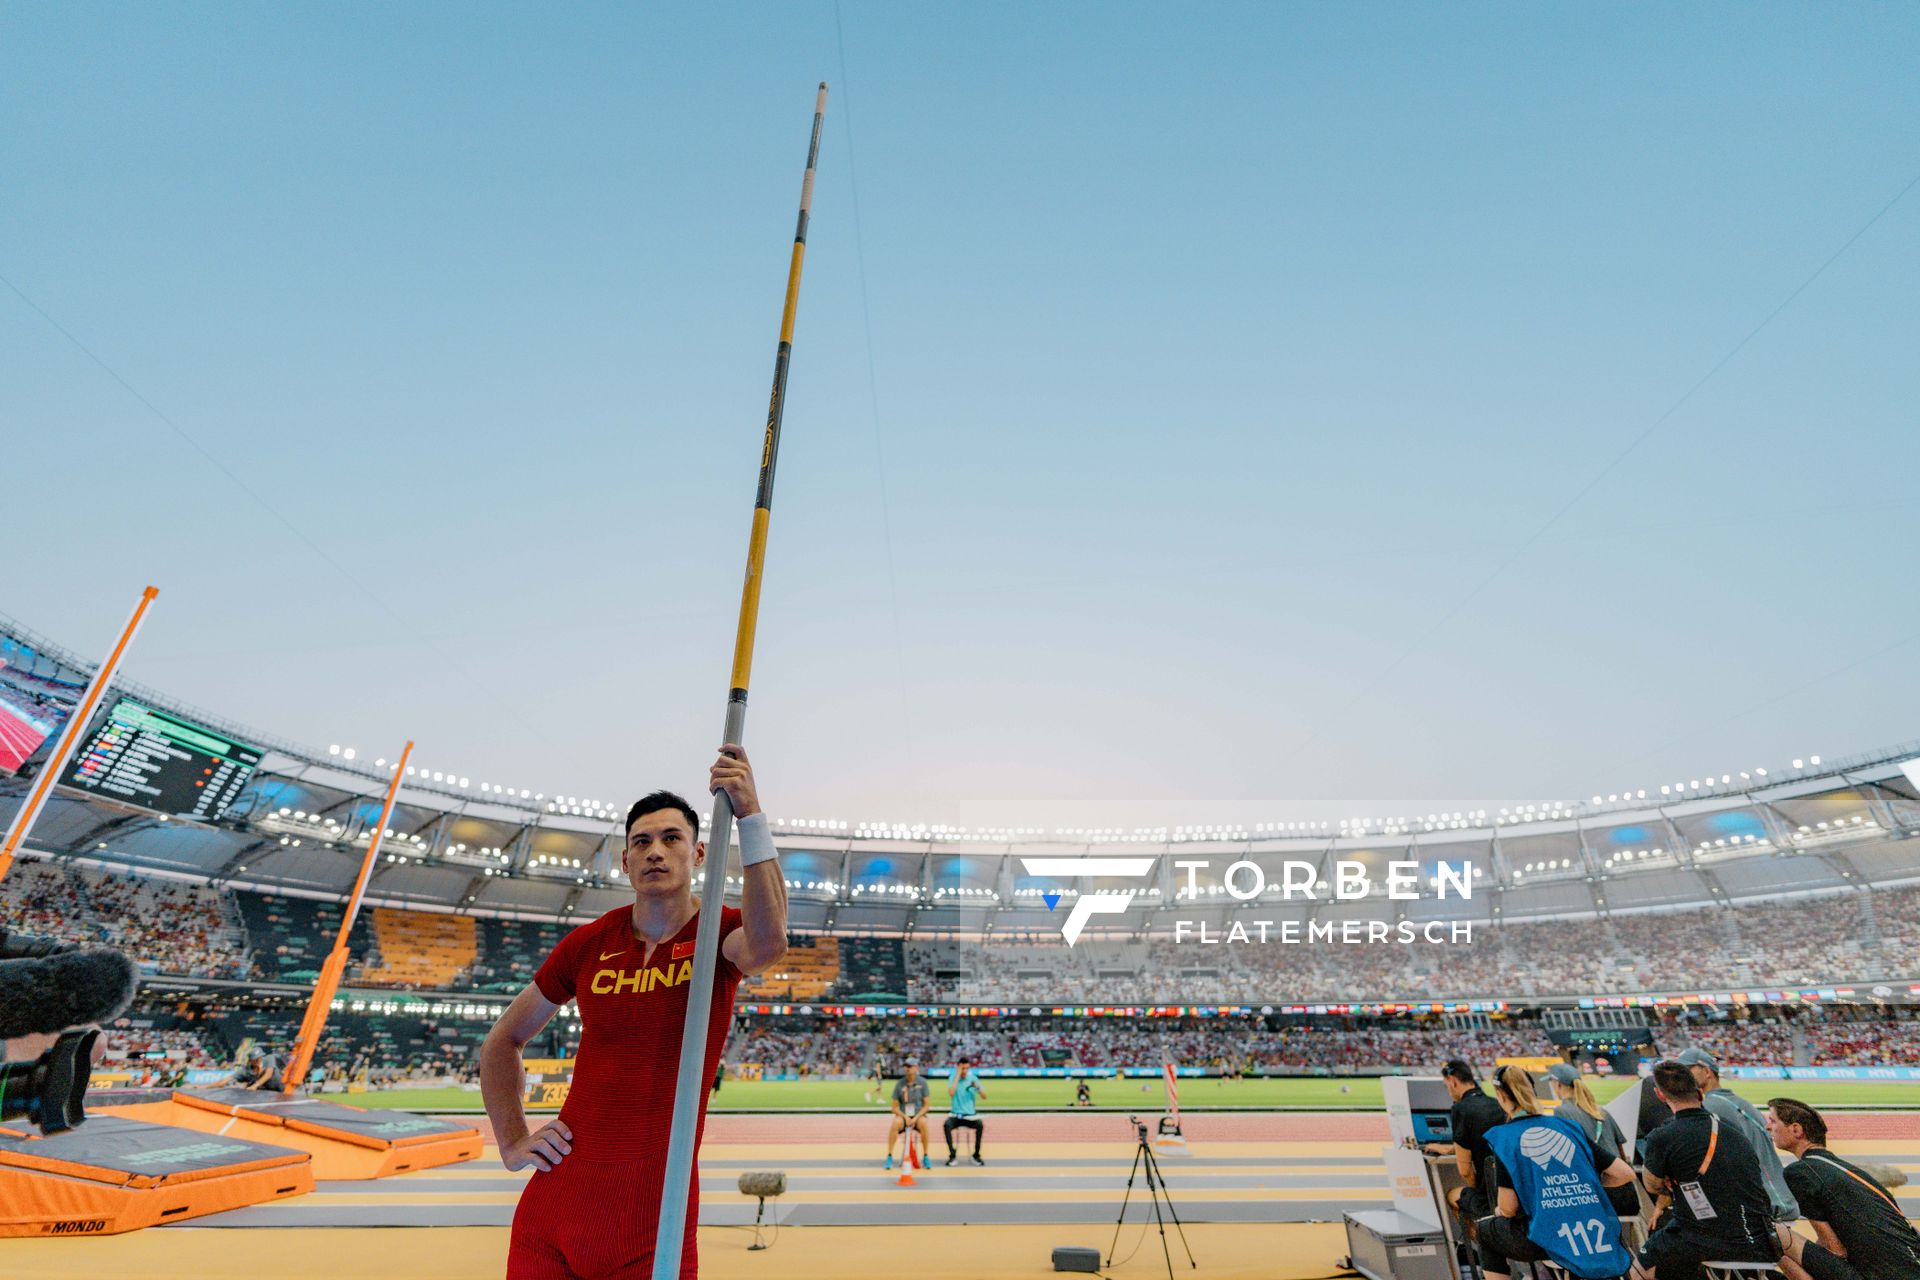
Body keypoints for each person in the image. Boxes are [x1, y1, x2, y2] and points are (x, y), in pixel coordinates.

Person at [480, 747, 789, 1280]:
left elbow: (769, 944)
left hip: (654, 1220)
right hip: (553, 1210)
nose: (655, 852)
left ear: (698, 855)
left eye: (672, 839)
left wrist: (751, 815)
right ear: (625, 861)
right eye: (641, 842)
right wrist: (512, 1140)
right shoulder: (586, 944)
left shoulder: (719, 932)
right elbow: (500, 1042)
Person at [1474, 1064, 1637, 1280]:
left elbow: (1509, 1208)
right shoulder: (1568, 1127)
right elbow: (1625, 1173)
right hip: (1592, 1232)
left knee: (1485, 1232)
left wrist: (1500, 1210)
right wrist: (1589, 1184)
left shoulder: (1505, 1138)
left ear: (1501, 1096)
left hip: (1546, 1237)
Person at [1636, 1059, 1780, 1280]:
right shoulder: (1732, 1131)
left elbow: (1652, 1185)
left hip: (1702, 1236)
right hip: (1756, 1237)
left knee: (1637, 1271)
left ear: (1660, 1095)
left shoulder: (1663, 1136)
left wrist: (1672, 1181)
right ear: (1699, 1092)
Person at [1765, 1096, 1920, 1280]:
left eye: (1773, 1121)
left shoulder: (1801, 1172)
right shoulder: (1846, 1170)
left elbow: (1836, 1250)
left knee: (1769, 1228)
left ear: (1796, 1130)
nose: (1768, 1127)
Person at [1675, 1047, 1798, 1223]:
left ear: (1707, 1071)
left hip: (1763, 1208)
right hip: (1774, 1200)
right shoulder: (1739, 1103)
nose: (1681, 1076)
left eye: (1687, 1070)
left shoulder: (1710, 1107)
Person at [1547, 1062, 1641, 1218]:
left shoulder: (1561, 1112)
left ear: (1557, 1085)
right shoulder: (1601, 1111)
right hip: (1624, 1192)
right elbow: (1621, 1154)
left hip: (1595, 1193)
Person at [1422, 1059, 1507, 1231]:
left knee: (1452, 1195)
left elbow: (1465, 1171)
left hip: (1490, 1197)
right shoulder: (1496, 1103)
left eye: (1447, 1086)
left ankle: (1480, 1244)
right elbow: (1482, 1138)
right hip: (1509, 1191)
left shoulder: (1460, 1109)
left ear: (1452, 1081)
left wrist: (1477, 1189)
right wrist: (1449, 1148)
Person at [884, 1058, 933, 1171]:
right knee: (895, 1122)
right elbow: (894, 1107)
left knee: (924, 1123)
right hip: (903, 1116)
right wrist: (905, 1117)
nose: (907, 1069)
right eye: (906, 1066)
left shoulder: (923, 1083)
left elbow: (926, 1106)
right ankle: (889, 1156)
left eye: (910, 1066)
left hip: (918, 1116)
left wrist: (915, 1118)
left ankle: (925, 1156)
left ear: (916, 1068)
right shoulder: (900, 1083)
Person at [944, 1057, 986, 1166]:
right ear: (958, 1068)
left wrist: (978, 1088)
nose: (965, 1071)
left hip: (970, 1116)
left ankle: (976, 1154)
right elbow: (951, 1093)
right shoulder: (953, 1078)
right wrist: (957, 1076)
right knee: (947, 1125)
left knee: (980, 1125)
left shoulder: (973, 1078)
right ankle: (952, 1155)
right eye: (963, 1068)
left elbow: (984, 1096)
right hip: (956, 1115)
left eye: (967, 1068)